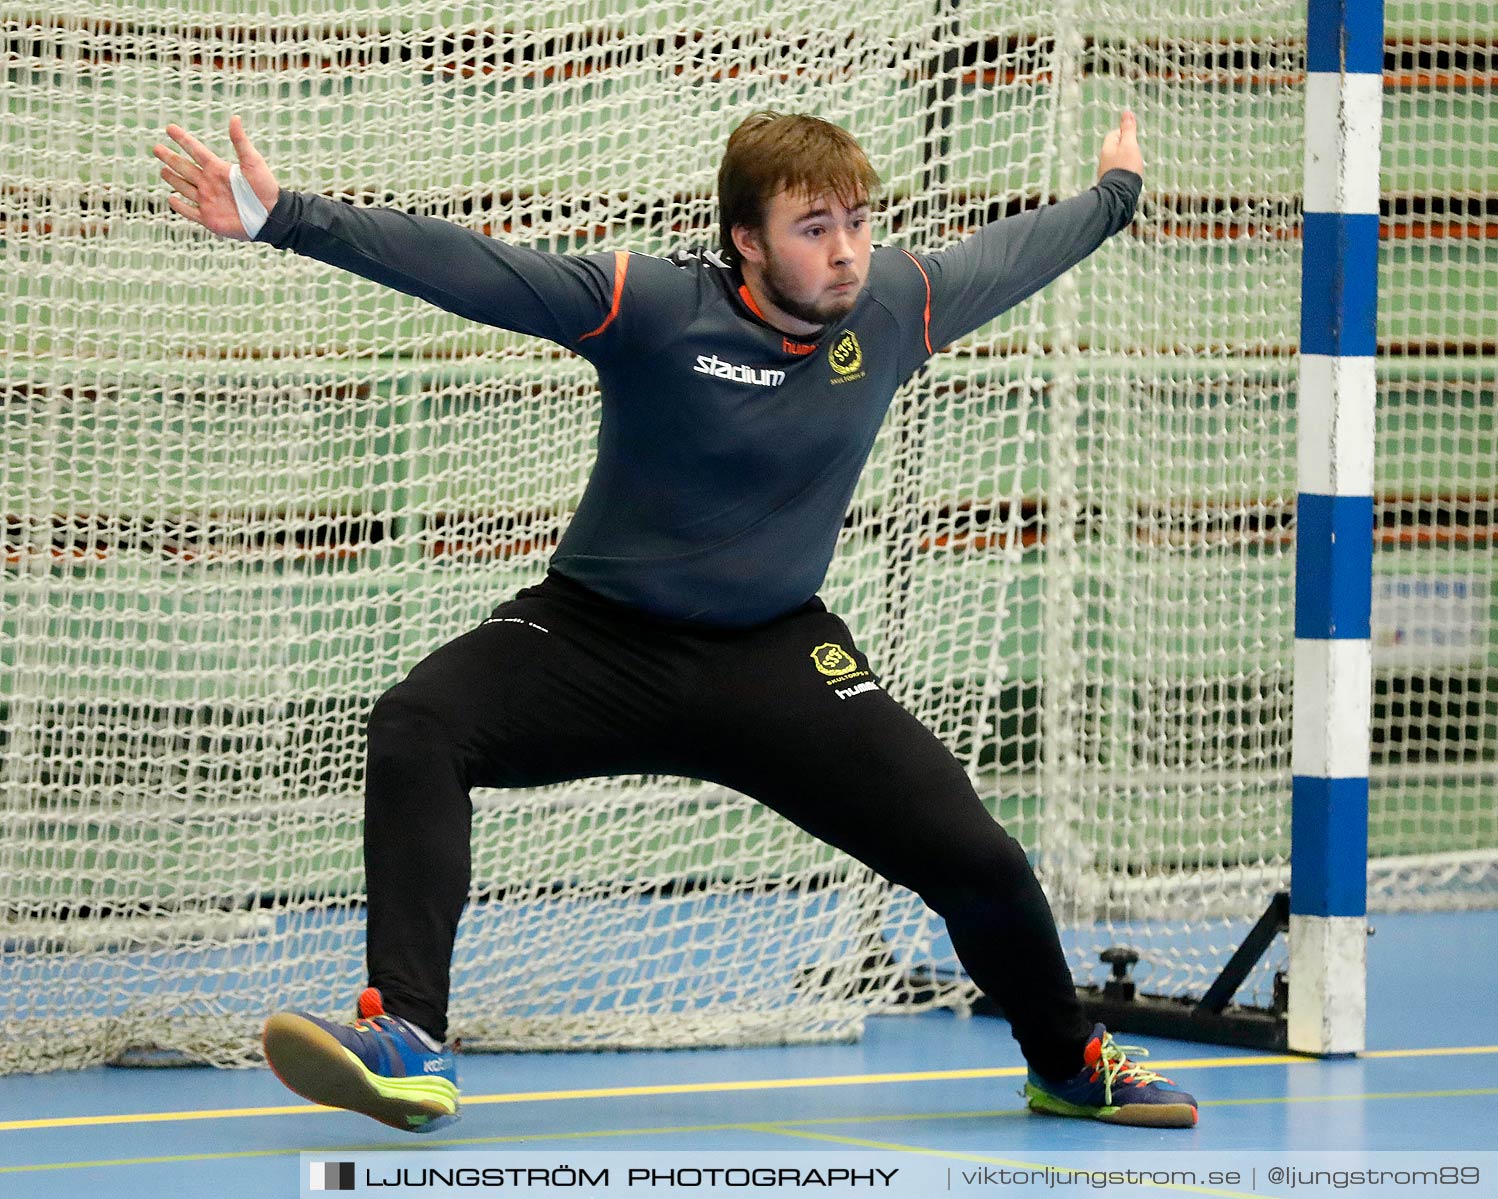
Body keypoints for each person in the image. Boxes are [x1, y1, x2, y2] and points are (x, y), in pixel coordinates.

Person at [151, 108, 1196, 1132]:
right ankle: (411, 1038)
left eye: (858, 220)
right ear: (746, 239)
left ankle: (1067, 1064)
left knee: (981, 859)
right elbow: (471, 268)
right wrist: (285, 217)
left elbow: (1022, 247)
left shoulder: (897, 305)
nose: (846, 253)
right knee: (419, 721)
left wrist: (1115, 194)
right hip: (596, 639)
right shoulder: (648, 304)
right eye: (813, 227)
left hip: (778, 654)